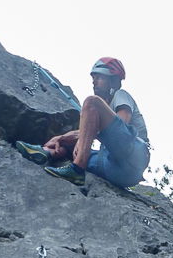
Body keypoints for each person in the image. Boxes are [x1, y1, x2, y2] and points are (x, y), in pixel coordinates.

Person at [15, 57, 150, 189]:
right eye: (93, 78)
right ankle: (46, 152)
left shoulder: (121, 95)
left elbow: (122, 125)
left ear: (113, 81)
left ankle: (77, 169)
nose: (94, 82)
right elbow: (89, 133)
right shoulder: (104, 108)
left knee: (91, 102)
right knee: (72, 146)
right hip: (116, 170)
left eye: (99, 78)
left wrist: (78, 137)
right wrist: (62, 139)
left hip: (134, 155)